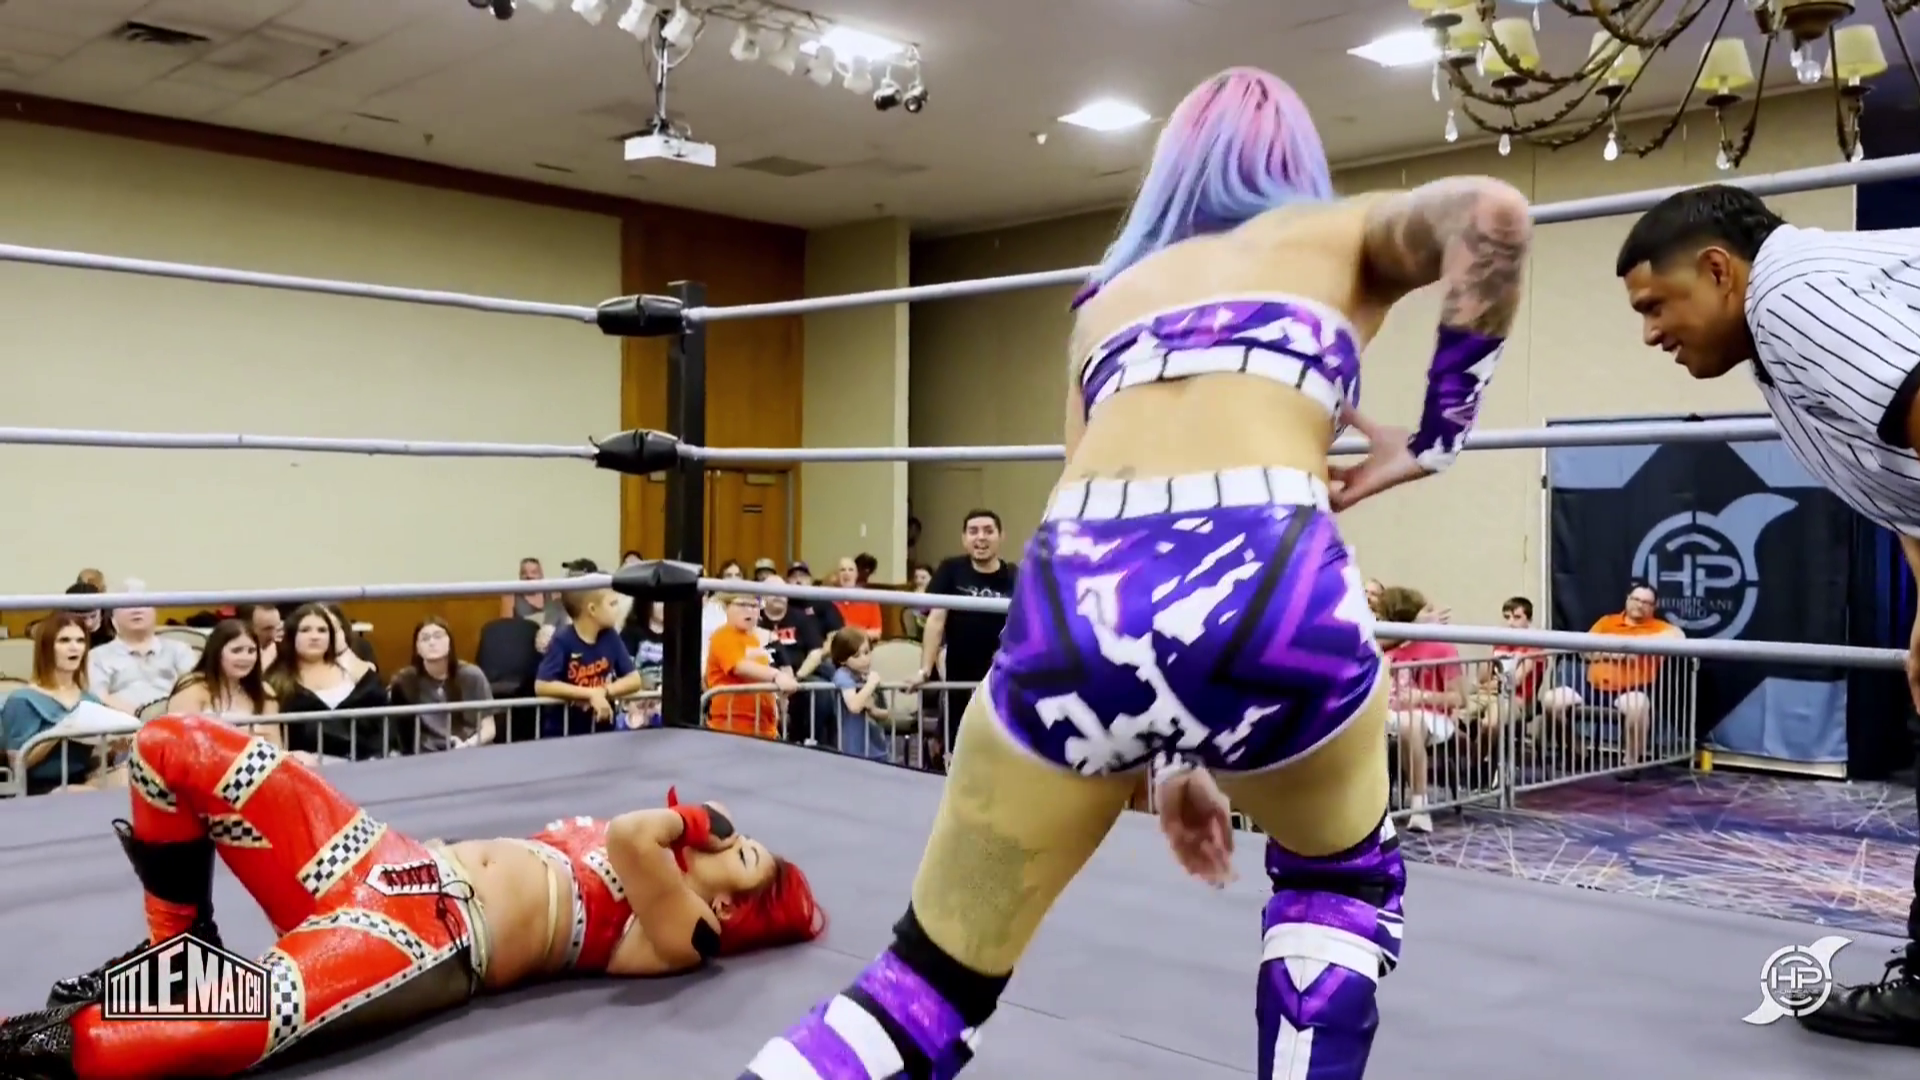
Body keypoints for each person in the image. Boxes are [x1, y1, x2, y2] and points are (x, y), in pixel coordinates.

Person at [733, 67, 1530, 1080]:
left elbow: (1116, 552)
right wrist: (1436, 437)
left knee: (924, 984)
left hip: (1081, 594)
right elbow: (1493, 216)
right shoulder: (1339, 233)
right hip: (1266, 578)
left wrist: (1164, 753)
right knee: (1337, 889)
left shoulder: (1104, 301)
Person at [0, 715, 824, 1079]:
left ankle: (37, 1041)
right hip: (384, 860)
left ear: (733, 910)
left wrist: (697, 817)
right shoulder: (668, 877)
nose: (724, 839)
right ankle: (175, 949)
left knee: (151, 1039)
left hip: (426, 940)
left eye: (740, 852)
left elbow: (633, 838)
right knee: (169, 746)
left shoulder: (685, 934)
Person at [1615, 184, 1920, 1043]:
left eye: (1655, 306)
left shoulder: (1792, 301)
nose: (1651, 334)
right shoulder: (1783, 330)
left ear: (1719, 271)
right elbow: (1907, 482)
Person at [915, 509, 1018, 747]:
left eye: (988, 531)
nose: (981, 537)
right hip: (959, 674)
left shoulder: (1015, 576)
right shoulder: (951, 570)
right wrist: (925, 670)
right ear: (964, 538)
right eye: (973, 531)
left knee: (999, 743)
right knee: (957, 741)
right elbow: (936, 620)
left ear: (1001, 536)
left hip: (1001, 676)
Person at [533, 586, 643, 738]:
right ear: (592, 609)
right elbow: (542, 685)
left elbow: (634, 679)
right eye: (612, 604)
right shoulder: (562, 640)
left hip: (601, 730)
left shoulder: (611, 637)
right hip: (563, 733)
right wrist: (590, 694)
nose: (618, 609)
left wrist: (604, 691)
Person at [387, 617, 498, 753]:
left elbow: (489, 728)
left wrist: (468, 745)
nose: (432, 642)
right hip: (431, 754)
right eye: (425, 639)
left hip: (471, 748)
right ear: (417, 648)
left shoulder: (472, 675)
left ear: (450, 643)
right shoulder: (406, 681)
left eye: (438, 636)